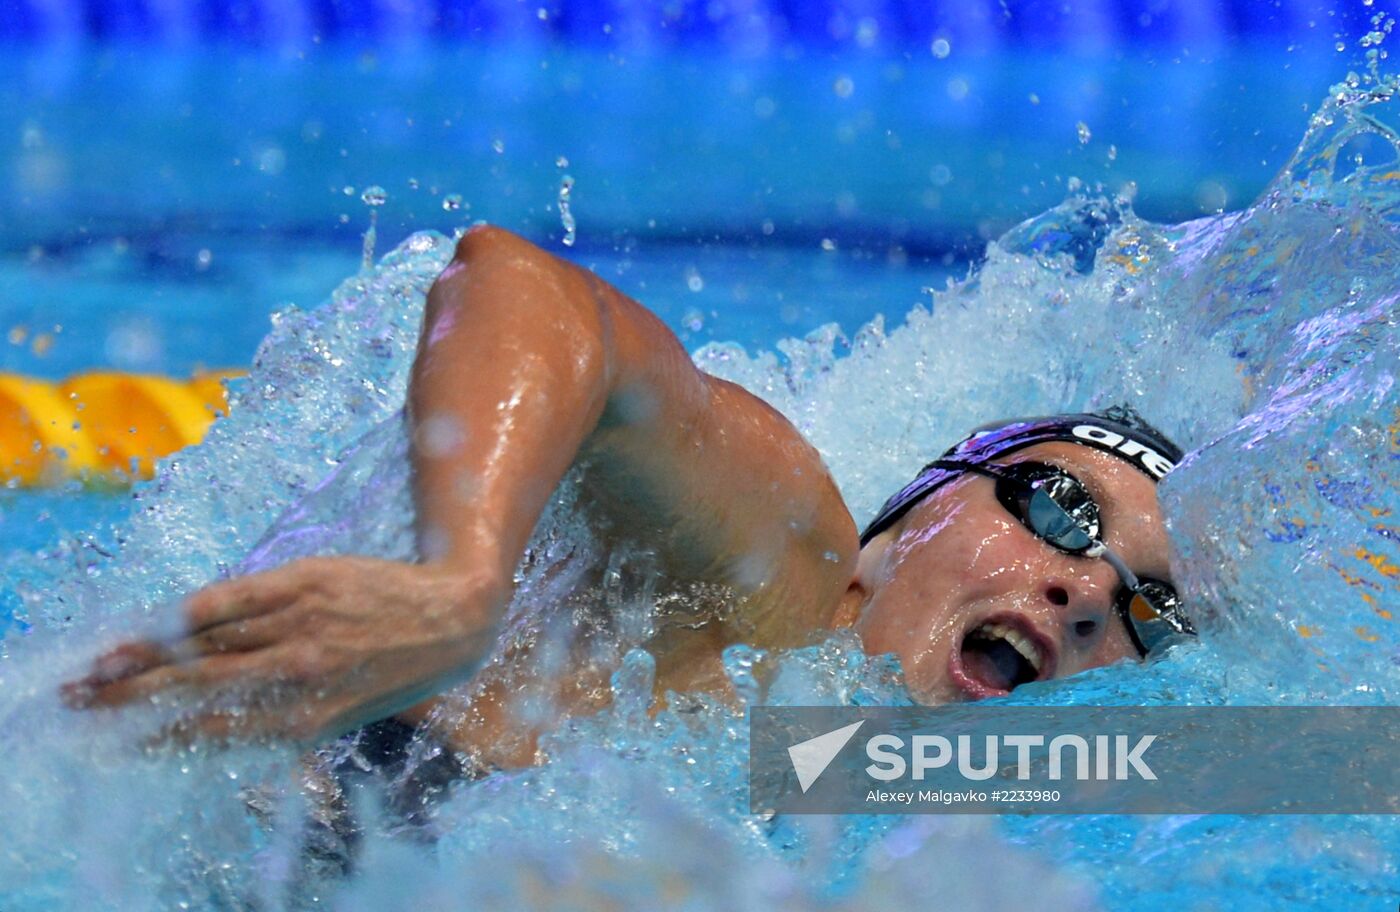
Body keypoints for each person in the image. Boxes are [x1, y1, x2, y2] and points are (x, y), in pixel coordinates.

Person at [61, 225, 1195, 769]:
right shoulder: (783, 575)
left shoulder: (901, 785)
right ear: (914, 513)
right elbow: (529, 287)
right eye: (1058, 507)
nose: (1084, 585)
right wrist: (457, 584)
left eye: (1148, 608)